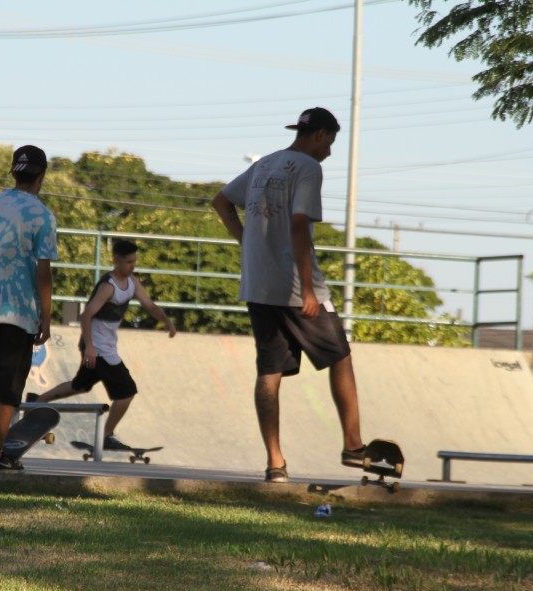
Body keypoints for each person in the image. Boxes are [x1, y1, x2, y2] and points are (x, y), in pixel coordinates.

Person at [211, 107, 368, 483]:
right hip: (295, 286)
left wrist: (246, 241)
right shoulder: (309, 168)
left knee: (269, 371)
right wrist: (308, 290)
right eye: (330, 141)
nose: (330, 150)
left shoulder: (265, 165)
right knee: (340, 356)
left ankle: (275, 464)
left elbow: (221, 201)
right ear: (318, 136)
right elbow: (299, 224)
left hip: (258, 284)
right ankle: (352, 444)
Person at [28, 239, 176, 448]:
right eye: (128, 262)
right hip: (98, 348)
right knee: (127, 392)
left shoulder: (132, 282)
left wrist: (166, 321)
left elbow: (150, 306)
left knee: (80, 385)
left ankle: (37, 401)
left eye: (134, 262)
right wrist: (89, 347)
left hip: (104, 347)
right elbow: (86, 315)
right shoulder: (108, 286)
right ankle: (105, 436)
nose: (132, 266)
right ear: (116, 261)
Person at [0, 144, 58, 471]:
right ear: (41, 176)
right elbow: (43, 272)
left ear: (13, 173)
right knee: (7, 390)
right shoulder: (42, 215)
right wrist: (46, 319)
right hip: (19, 313)